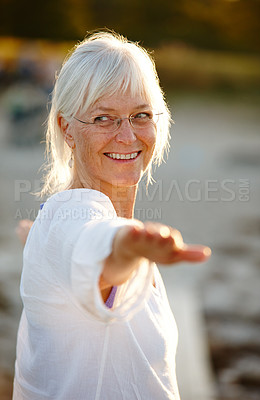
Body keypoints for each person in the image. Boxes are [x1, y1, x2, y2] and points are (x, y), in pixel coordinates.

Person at [13, 31, 211, 400]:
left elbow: (66, 245)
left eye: (140, 115)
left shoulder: (55, 225)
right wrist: (128, 246)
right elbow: (96, 249)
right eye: (103, 118)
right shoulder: (76, 222)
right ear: (66, 128)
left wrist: (35, 236)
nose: (127, 136)